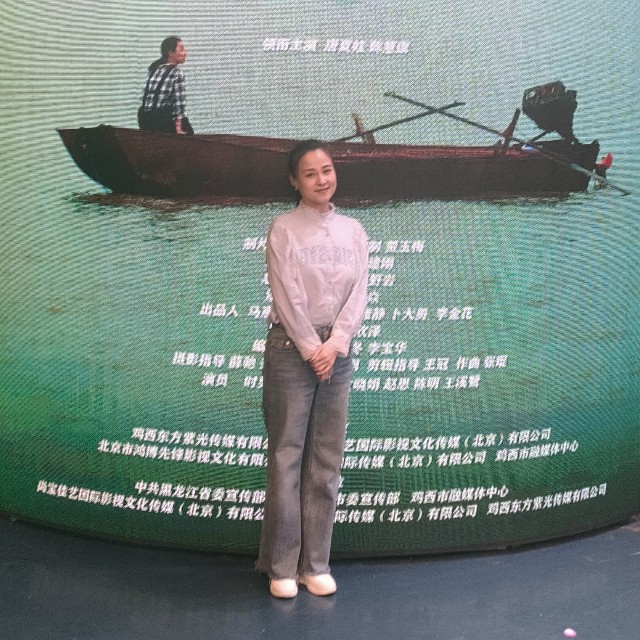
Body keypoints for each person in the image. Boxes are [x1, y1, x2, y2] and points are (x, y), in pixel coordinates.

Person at [255, 140, 369, 599]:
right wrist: (310, 347)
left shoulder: (354, 230)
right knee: (287, 456)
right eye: (310, 173)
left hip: (337, 355)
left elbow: (359, 292)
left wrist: (335, 344)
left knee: (326, 459)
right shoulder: (283, 229)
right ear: (294, 181)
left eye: (327, 170)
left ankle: (314, 565)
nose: (322, 179)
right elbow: (286, 294)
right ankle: (281, 566)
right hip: (290, 348)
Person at [138, 36, 193, 135]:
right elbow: (179, 104)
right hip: (162, 122)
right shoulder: (177, 73)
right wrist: (178, 129)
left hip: (145, 120)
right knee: (191, 137)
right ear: (171, 53)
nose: (185, 53)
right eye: (181, 49)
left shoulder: (154, 69)